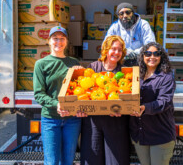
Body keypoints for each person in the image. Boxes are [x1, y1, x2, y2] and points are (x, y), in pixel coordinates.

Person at [33, 26, 83, 165]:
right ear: (49, 41)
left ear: (66, 42)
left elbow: (81, 90)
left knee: (68, 160)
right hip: (50, 119)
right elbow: (39, 94)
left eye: (62, 39)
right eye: (55, 38)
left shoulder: (74, 63)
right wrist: (57, 104)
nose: (58, 42)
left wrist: (82, 73)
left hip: (72, 120)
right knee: (52, 161)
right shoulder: (41, 64)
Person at [80, 35, 130, 165]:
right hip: (93, 123)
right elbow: (84, 94)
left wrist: (124, 110)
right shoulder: (93, 67)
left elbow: (130, 98)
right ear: (106, 50)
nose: (116, 53)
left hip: (116, 121)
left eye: (120, 50)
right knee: (92, 159)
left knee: (116, 161)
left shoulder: (123, 71)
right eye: (113, 49)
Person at [129, 42, 176, 165]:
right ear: (143, 56)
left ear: (161, 57)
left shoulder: (166, 77)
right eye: (148, 53)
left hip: (159, 135)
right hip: (140, 135)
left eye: (156, 54)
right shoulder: (137, 75)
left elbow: (164, 102)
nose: (152, 57)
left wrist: (145, 108)